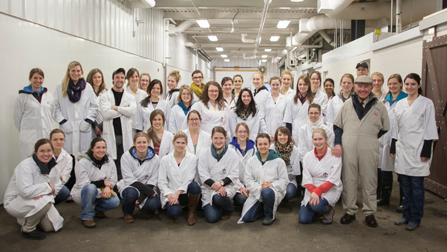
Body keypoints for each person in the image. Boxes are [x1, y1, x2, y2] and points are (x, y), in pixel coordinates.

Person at [333, 75, 390, 228]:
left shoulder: (379, 106)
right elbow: (337, 126)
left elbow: (385, 128)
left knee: (369, 180)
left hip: (369, 147)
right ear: (355, 87)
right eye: (360, 86)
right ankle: (350, 211)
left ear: (371, 88)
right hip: (348, 147)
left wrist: (368, 137)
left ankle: (369, 213)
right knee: (349, 179)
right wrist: (338, 143)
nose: (363, 89)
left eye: (366, 86)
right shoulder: (347, 105)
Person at [391, 73, 438, 231]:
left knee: (417, 185)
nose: (409, 87)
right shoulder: (400, 103)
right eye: (407, 84)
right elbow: (395, 127)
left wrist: (426, 149)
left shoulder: (426, 103)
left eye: (412, 84)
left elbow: (430, 126)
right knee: (405, 184)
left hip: (419, 148)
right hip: (403, 148)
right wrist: (393, 145)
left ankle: (415, 217)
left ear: (418, 85)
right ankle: (406, 214)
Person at [4, 139, 64, 240]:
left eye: (49, 150)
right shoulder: (25, 166)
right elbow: (25, 191)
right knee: (46, 202)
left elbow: (57, 186)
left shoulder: (53, 165)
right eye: (42, 151)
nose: (46, 154)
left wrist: (46, 193)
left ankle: (28, 217)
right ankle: (28, 228)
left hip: (38, 198)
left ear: (52, 152)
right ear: (35, 152)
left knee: (50, 227)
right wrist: (47, 187)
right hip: (16, 200)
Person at [238, 133, 288, 225]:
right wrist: (259, 188)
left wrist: (271, 185)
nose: (263, 147)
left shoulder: (278, 161)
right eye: (260, 144)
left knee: (267, 192)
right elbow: (248, 180)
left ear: (269, 144)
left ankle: (269, 215)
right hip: (256, 192)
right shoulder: (251, 161)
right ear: (256, 145)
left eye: (265, 144)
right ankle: (264, 206)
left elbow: (284, 180)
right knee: (247, 218)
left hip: (272, 191)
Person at [71, 138, 120, 228]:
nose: (101, 150)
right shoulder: (83, 162)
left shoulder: (109, 161)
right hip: (83, 193)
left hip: (102, 191)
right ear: (92, 149)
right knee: (91, 188)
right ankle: (87, 217)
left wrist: (108, 187)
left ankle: (95, 209)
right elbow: (83, 184)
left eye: (103, 147)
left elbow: (113, 179)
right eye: (98, 147)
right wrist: (103, 183)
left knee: (115, 201)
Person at [298, 129, 342, 225]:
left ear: (326, 139)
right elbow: (307, 178)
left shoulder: (335, 155)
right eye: (315, 139)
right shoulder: (308, 157)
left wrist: (318, 192)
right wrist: (314, 192)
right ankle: (317, 210)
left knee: (316, 205)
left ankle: (328, 210)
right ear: (312, 140)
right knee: (303, 219)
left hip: (329, 188)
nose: (318, 142)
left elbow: (333, 179)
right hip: (312, 188)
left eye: (320, 139)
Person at [197, 126, 241, 223]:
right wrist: (216, 186)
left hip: (227, 186)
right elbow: (203, 174)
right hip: (209, 188)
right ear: (211, 138)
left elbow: (234, 173)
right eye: (215, 138)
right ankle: (218, 205)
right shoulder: (204, 153)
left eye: (221, 138)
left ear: (225, 138)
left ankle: (228, 209)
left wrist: (221, 183)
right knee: (212, 218)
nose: (218, 141)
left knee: (219, 197)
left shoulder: (232, 153)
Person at [54, 61, 99, 155]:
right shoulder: (60, 87)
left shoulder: (87, 87)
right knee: (67, 157)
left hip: (83, 127)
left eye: (78, 71)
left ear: (81, 72)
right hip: (67, 127)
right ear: (69, 72)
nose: (76, 73)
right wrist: (63, 122)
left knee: (83, 157)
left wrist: (88, 121)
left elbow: (95, 106)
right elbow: (55, 107)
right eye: (73, 71)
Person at [99, 68, 136, 180]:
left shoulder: (130, 96)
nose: (119, 80)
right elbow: (106, 114)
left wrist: (115, 108)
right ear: (112, 79)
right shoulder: (105, 96)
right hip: (111, 134)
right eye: (117, 77)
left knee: (124, 162)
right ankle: (112, 186)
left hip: (125, 135)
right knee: (111, 163)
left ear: (125, 80)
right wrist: (123, 110)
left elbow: (132, 111)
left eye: (122, 78)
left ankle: (123, 186)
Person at [377, 74, 407, 209]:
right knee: (385, 170)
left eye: (395, 83)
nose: (392, 86)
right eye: (390, 84)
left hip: (400, 140)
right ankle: (385, 197)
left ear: (401, 84)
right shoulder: (384, 100)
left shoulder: (406, 100)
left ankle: (403, 200)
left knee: (401, 172)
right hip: (385, 140)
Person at [158, 131, 201, 225]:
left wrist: (178, 193)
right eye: (178, 142)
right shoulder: (165, 160)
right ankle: (176, 205)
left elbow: (189, 178)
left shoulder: (192, 158)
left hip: (185, 192)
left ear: (186, 143)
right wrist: (170, 195)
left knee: (195, 186)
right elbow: (161, 182)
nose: (180, 145)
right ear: (173, 142)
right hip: (171, 192)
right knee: (174, 212)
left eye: (183, 143)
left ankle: (191, 212)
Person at [117, 132, 161, 223]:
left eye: (144, 142)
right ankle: (127, 213)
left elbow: (153, 179)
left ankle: (148, 209)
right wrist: (148, 192)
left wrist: (141, 197)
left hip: (148, 185)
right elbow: (129, 179)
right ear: (134, 144)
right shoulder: (126, 157)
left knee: (154, 203)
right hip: (131, 186)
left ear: (148, 143)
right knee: (130, 194)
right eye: (139, 142)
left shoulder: (156, 158)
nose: (142, 145)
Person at [14, 68, 55, 160]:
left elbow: (51, 115)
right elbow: (17, 118)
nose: (38, 81)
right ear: (30, 79)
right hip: (29, 137)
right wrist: (26, 130)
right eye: (35, 78)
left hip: (46, 134)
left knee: (47, 160)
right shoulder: (22, 97)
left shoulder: (49, 96)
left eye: (40, 78)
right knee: (29, 163)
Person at [229, 123, 256, 207]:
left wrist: (249, 186)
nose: (242, 134)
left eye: (245, 132)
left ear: (248, 133)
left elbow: (255, 169)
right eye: (240, 131)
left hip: (249, 182)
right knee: (242, 199)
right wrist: (240, 186)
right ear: (235, 132)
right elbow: (230, 171)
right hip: (235, 183)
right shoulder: (230, 148)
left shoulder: (254, 148)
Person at [283, 75, 315, 146]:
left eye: (305, 84)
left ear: (308, 85)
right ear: (297, 86)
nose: (302, 87)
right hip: (296, 131)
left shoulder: (314, 100)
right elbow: (288, 120)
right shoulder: (291, 100)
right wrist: (290, 135)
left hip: (310, 130)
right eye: (300, 84)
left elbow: (318, 118)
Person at [272, 127, 300, 205]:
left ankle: (283, 199)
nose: (282, 137)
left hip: (289, 180)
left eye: (285, 135)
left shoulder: (295, 150)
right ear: (276, 136)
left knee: (289, 193)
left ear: (289, 136)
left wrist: (282, 181)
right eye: (280, 135)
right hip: (274, 179)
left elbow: (295, 172)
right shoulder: (271, 149)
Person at [49, 129, 74, 204]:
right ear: (50, 141)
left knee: (65, 192)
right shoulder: (45, 154)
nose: (59, 142)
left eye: (61, 139)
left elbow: (64, 178)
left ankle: (51, 205)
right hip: (43, 184)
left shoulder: (68, 158)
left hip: (57, 185)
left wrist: (54, 180)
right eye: (55, 139)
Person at [262, 76, 287, 141]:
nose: (275, 87)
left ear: (280, 85)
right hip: (267, 134)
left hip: (281, 135)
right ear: (270, 85)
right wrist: (267, 134)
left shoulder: (285, 99)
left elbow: (285, 119)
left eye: (277, 85)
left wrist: (280, 134)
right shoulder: (265, 99)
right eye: (273, 85)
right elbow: (261, 118)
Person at [126, 68, 148, 134]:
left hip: (141, 127)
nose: (134, 79)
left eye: (136, 76)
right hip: (129, 127)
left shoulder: (143, 94)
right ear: (128, 78)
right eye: (132, 77)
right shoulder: (125, 93)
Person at [86, 68, 108, 137]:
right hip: (91, 124)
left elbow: (109, 110)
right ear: (91, 79)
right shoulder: (86, 93)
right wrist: (95, 126)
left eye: (99, 77)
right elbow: (86, 110)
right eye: (95, 77)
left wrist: (100, 126)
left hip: (104, 125)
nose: (97, 79)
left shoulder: (107, 93)